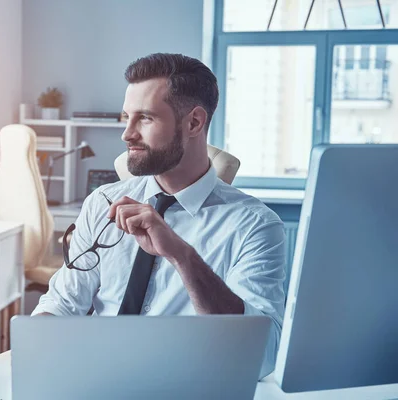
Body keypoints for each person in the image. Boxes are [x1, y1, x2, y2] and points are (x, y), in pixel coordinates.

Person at [32, 53, 286, 375]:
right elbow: (63, 304)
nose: (126, 134)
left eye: (145, 118)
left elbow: (261, 360)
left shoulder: (256, 226)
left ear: (194, 122)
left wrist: (181, 255)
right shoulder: (102, 203)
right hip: (94, 380)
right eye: (126, 117)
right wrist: (33, 351)